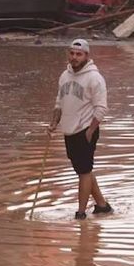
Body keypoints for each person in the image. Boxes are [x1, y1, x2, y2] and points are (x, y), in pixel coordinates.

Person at [49, 39, 113, 220]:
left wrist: (90, 131)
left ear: (87, 56)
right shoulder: (64, 76)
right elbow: (58, 103)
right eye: (72, 53)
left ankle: (81, 213)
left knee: (84, 172)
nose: (74, 57)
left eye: (79, 54)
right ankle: (102, 205)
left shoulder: (95, 78)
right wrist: (53, 124)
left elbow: (101, 108)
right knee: (83, 170)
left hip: (86, 130)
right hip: (68, 130)